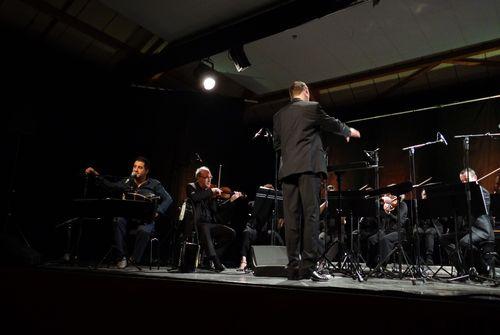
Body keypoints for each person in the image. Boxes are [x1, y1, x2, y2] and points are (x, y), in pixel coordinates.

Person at [273, 81, 361, 281]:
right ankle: (309, 267)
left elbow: (277, 145)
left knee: (292, 219)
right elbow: (330, 122)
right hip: (309, 168)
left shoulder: (278, 115)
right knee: (311, 216)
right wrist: (348, 131)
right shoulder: (312, 107)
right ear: (305, 91)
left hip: (287, 171)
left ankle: (293, 268)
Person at [85, 156, 173, 269]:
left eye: (140, 167)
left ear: (146, 171)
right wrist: (96, 175)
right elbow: (110, 186)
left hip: (145, 218)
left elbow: (168, 199)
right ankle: (121, 257)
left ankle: (133, 260)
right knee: (117, 220)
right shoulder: (127, 182)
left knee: (144, 231)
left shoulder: (154, 184)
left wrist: (158, 211)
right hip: (128, 216)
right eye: (134, 166)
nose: (136, 169)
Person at [186, 166, 241, 272]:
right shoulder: (191, 187)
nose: (209, 179)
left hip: (210, 224)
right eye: (207, 177)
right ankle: (216, 261)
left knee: (231, 233)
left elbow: (217, 209)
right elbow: (195, 198)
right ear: (199, 177)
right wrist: (211, 191)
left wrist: (230, 201)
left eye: (210, 177)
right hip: (196, 223)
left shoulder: (211, 191)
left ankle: (210, 256)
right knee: (205, 227)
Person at [442, 168, 495, 274]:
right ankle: (462, 270)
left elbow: (479, 210)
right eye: (462, 181)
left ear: (475, 178)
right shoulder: (463, 194)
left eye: (466, 180)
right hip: (469, 230)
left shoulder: (483, 192)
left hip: (482, 230)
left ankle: (483, 268)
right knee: (444, 238)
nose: (464, 183)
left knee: (463, 242)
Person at [366, 193, 408, 270]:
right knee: (371, 239)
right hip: (387, 231)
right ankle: (372, 265)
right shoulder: (389, 206)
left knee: (385, 239)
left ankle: (382, 265)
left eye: (392, 195)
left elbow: (399, 220)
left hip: (399, 231)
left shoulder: (402, 205)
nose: (390, 197)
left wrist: (389, 213)